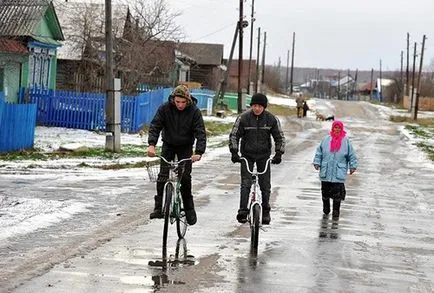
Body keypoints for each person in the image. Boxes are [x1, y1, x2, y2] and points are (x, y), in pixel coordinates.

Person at [147, 85, 206, 225]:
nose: (180, 105)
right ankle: (158, 207)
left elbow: (200, 133)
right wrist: (151, 144)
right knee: (162, 176)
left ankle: (189, 208)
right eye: (177, 102)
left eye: (183, 102)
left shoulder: (194, 111)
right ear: (173, 99)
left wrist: (198, 152)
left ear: (188, 101)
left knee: (185, 177)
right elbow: (155, 126)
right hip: (168, 144)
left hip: (185, 147)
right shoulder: (165, 108)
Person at [229, 93, 286, 225]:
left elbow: (279, 137)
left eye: (260, 106)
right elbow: (234, 135)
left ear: (264, 107)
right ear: (251, 106)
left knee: (265, 185)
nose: (257, 108)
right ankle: (243, 210)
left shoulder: (271, 119)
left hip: (264, 156)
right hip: (247, 155)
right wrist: (234, 151)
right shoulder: (243, 118)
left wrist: (279, 153)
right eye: (254, 105)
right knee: (245, 183)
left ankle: (266, 210)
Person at [312, 120, 357, 219]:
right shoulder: (326, 139)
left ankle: (336, 211)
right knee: (325, 192)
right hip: (326, 171)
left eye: (339, 128)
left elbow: (351, 155)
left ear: (341, 129)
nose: (337, 129)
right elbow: (319, 153)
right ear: (332, 128)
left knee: (337, 194)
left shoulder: (346, 142)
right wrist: (317, 163)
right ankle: (326, 207)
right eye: (335, 127)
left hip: (338, 172)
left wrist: (353, 166)